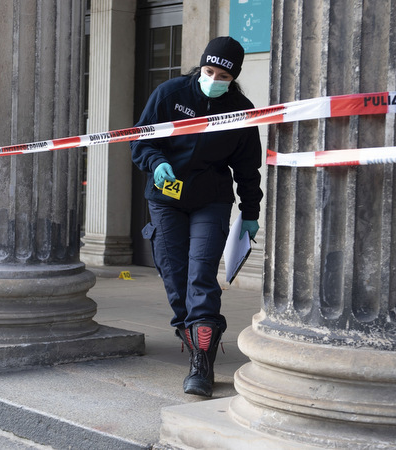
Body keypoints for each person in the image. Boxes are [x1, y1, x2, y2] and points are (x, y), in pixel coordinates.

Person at [131, 36, 263, 397]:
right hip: (166, 198)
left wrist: (250, 212)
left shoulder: (241, 110)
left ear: (234, 77)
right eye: (209, 71)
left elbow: (248, 169)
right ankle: (192, 337)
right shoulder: (170, 94)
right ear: (200, 66)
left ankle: (202, 363)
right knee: (175, 276)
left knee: (201, 275)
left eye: (224, 75)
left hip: (211, 201)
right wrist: (156, 162)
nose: (214, 79)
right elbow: (141, 140)